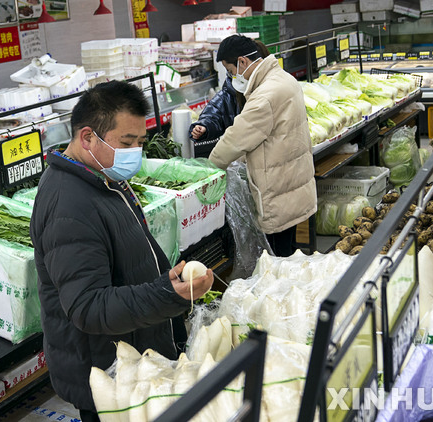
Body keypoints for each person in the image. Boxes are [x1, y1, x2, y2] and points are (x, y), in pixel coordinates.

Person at [29, 81, 214, 422]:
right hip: (108, 377)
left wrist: (167, 282)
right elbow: (88, 307)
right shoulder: (67, 205)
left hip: (134, 360)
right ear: (87, 138)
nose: (135, 152)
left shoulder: (103, 176)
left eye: (140, 142)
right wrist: (164, 294)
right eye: (126, 143)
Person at [209, 35, 317, 257]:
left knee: (278, 258)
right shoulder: (283, 79)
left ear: (243, 62)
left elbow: (236, 138)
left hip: (278, 191)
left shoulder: (265, 96)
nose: (231, 77)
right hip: (292, 184)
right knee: (289, 251)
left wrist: (208, 168)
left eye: (230, 71)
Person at [189, 41, 270, 157]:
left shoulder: (269, 90)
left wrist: (216, 161)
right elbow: (216, 110)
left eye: (231, 71)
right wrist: (204, 126)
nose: (233, 75)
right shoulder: (232, 89)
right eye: (230, 72)